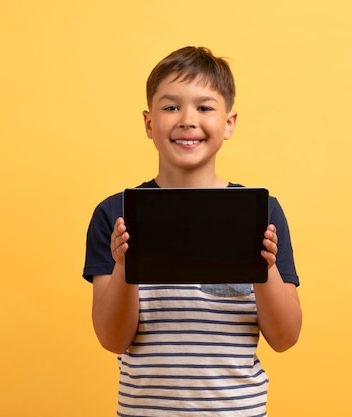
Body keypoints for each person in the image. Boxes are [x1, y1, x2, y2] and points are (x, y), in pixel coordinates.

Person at [83, 46, 302, 417]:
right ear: (149, 123)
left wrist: (263, 268)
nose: (187, 120)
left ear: (229, 123)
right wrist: (125, 265)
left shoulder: (261, 212)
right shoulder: (114, 213)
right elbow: (112, 338)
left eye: (204, 107)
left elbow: (284, 338)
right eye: (170, 107)